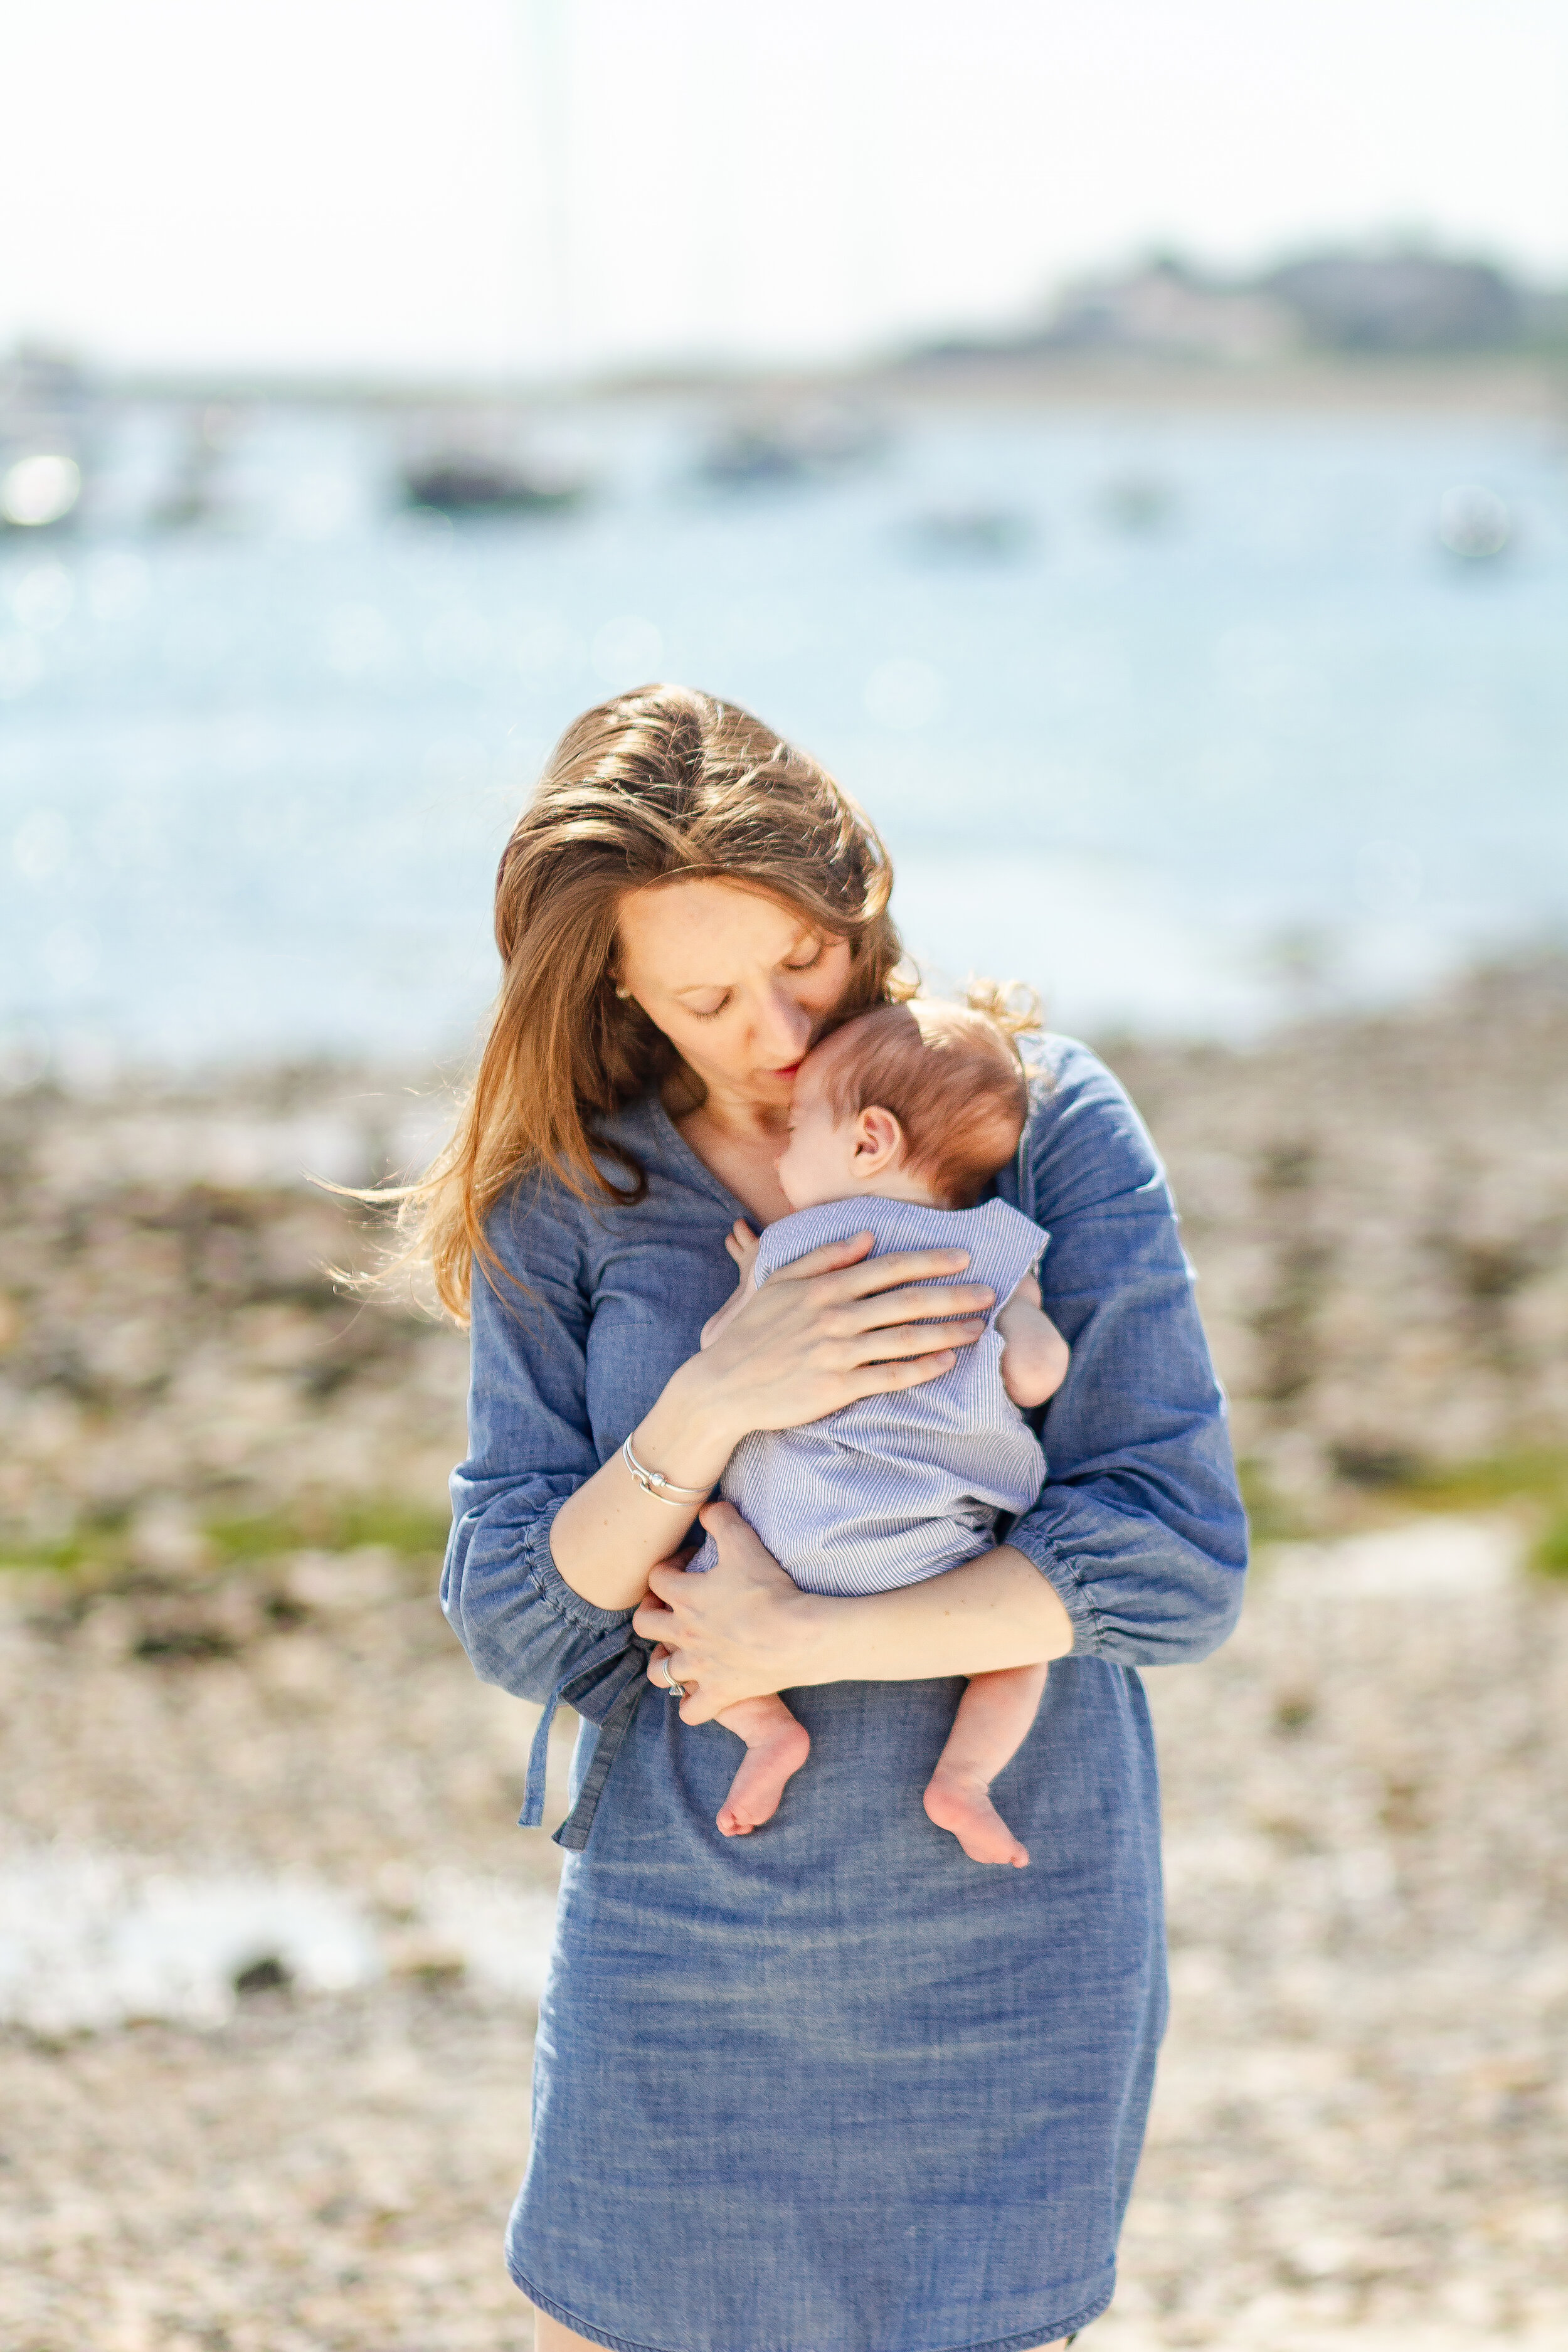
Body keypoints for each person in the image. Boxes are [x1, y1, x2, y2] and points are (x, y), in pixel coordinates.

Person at [425, 685, 1246, 2352]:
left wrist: (808, 1637)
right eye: (706, 996)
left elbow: (1172, 1560)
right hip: (687, 1921)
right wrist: (716, 1392)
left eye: (797, 957)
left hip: (1005, 1914)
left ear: (850, 890)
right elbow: (522, 1618)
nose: (774, 1026)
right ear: (625, 1000)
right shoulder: (575, 1199)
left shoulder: (1032, 1121)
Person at [687, 998, 1072, 1863]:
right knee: (1019, 1652)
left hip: (775, 1548)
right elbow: (1038, 1375)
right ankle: (962, 1780)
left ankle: (770, 1733)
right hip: (934, 1562)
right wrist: (1029, 1306)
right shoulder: (990, 1256)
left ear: (868, 1140)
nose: (780, 1153)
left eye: (795, 1129)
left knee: (665, 1604)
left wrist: (751, 1282)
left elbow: (721, 1354)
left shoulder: (798, 1246)